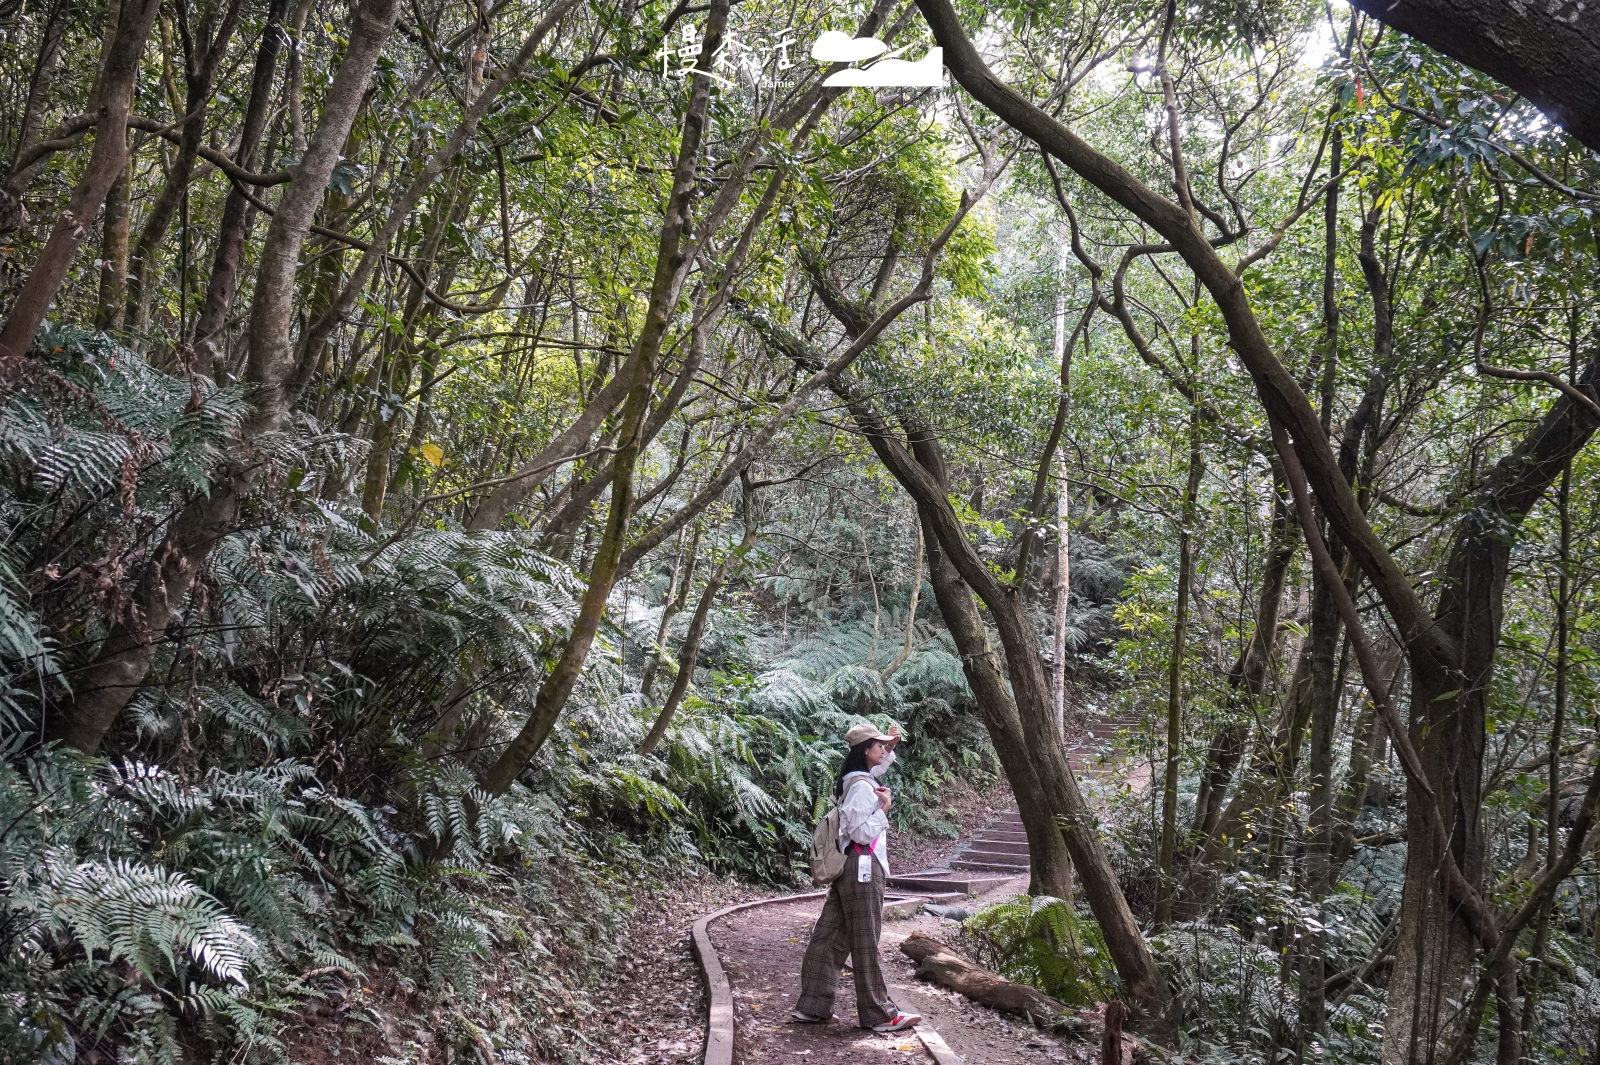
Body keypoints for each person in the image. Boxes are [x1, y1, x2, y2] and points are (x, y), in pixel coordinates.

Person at [793, 722, 923, 1032]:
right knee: (865, 942)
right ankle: (879, 1014)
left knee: (828, 937)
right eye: (878, 745)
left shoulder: (854, 780)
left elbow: (873, 775)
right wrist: (885, 809)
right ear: (865, 750)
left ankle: (813, 1006)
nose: (883, 749)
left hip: (849, 868)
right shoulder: (864, 788)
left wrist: (890, 746)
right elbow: (860, 831)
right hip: (863, 867)